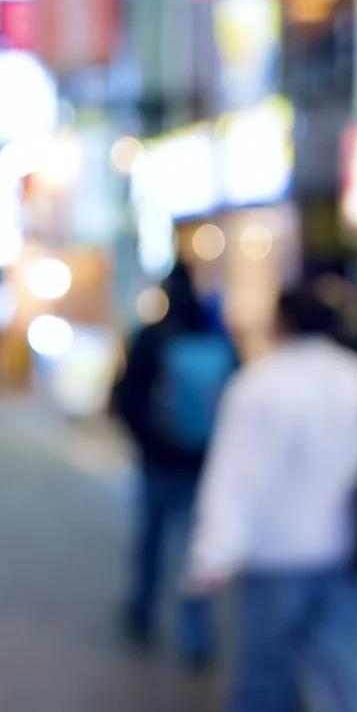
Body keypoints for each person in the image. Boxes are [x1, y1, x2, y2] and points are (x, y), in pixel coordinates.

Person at [187, 284, 357, 712]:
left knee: (267, 649)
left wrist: (214, 553)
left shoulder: (261, 385)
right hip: (347, 544)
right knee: (351, 658)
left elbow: (235, 476)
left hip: (277, 546)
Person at [109, 264, 235, 664]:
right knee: (195, 550)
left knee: (152, 540)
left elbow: (124, 397)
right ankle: (196, 636)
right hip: (204, 463)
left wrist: (148, 442)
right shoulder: (217, 337)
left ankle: (143, 614)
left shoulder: (152, 336)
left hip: (159, 461)